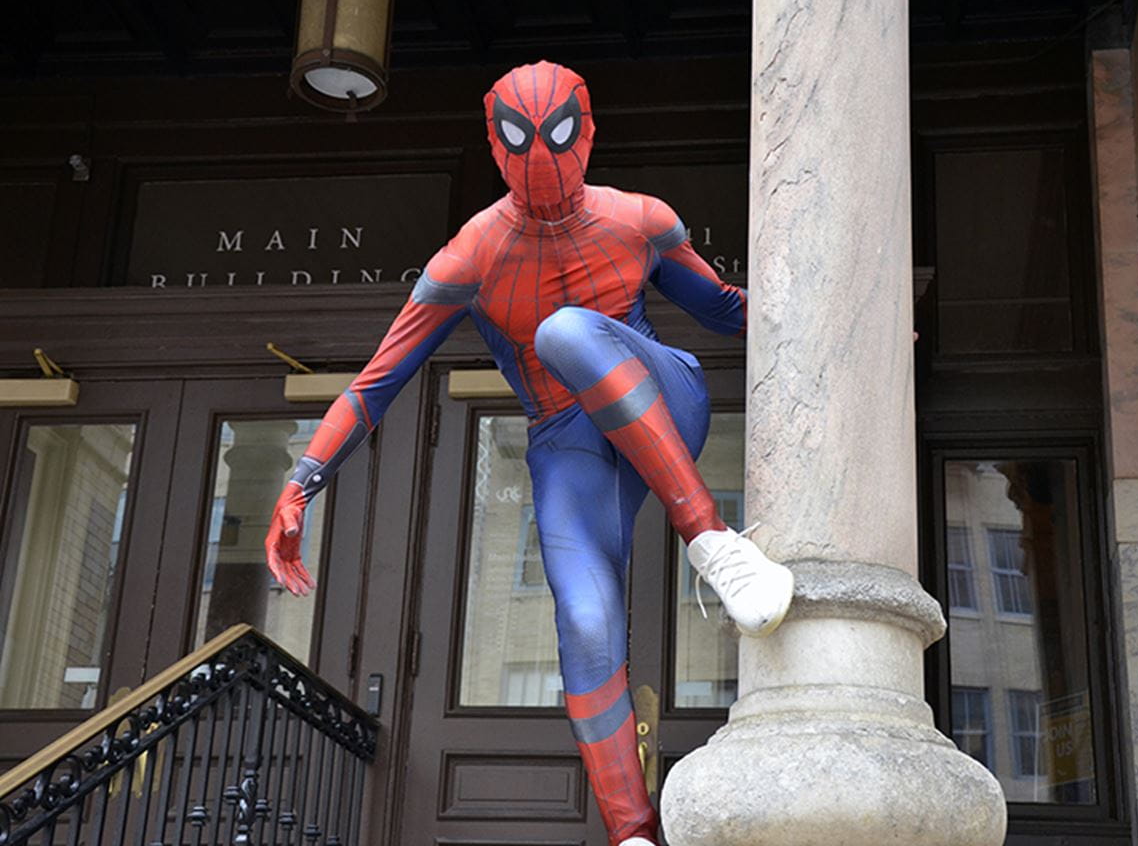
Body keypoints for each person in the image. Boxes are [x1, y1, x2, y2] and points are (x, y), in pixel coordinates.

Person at [264, 60, 794, 846]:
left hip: (659, 396)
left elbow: (723, 310)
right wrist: (302, 479)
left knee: (566, 330)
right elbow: (377, 381)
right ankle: (634, 834)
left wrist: (844, 327)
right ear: (494, 141)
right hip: (567, 439)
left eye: (556, 134)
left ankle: (710, 539)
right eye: (519, 137)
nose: (540, 155)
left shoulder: (639, 219)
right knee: (583, 621)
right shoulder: (471, 255)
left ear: (587, 131)